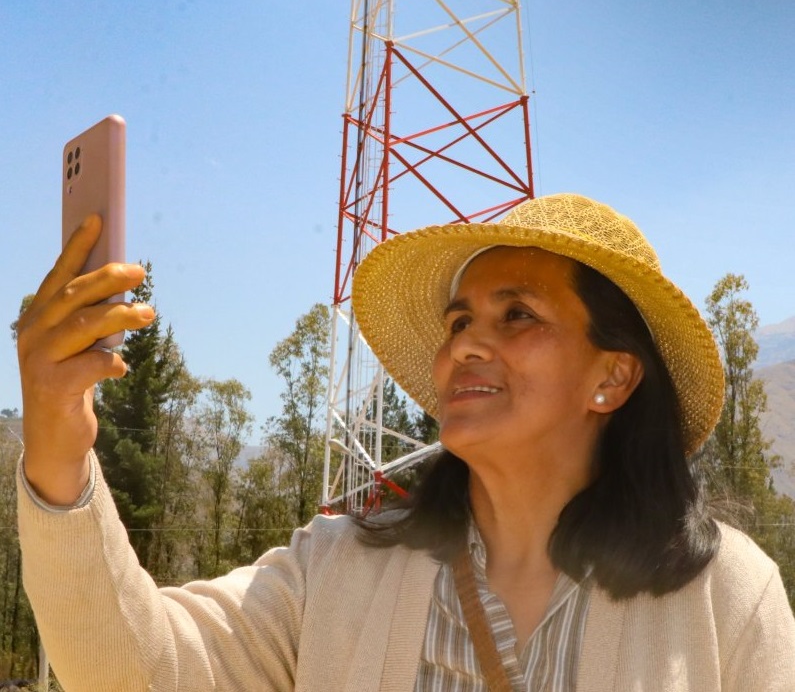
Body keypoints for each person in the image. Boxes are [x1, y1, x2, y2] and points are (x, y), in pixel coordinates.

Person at [16, 195, 795, 691]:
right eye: (459, 322)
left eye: (515, 315)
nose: (465, 345)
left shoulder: (726, 596)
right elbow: (133, 667)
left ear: (612, 379)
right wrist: (58, 443)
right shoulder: (337, 570)